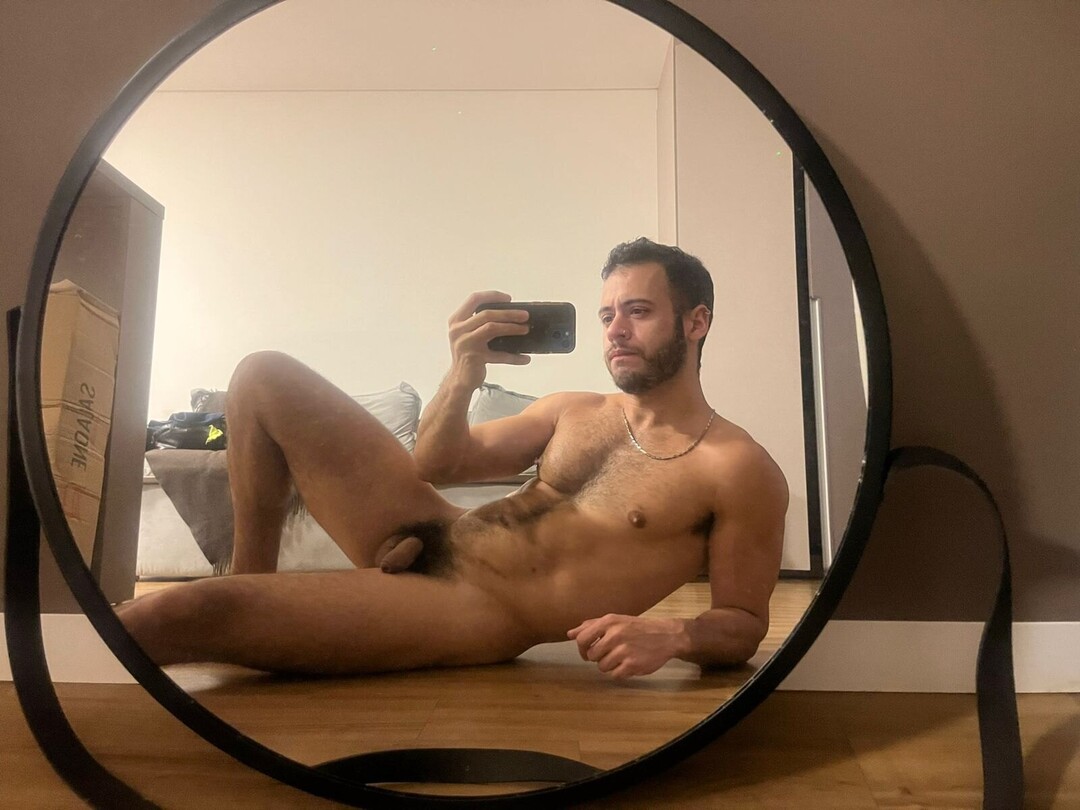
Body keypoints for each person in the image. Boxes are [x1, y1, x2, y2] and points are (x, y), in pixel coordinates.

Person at [117, 237, 788, 679]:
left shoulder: (736, 468)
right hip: (434, 528)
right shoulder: (575, 410)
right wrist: (463, 371)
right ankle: (251, 577)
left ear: (696, 322)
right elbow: (437, 465)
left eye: (637, 311)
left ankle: (229, 608)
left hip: (475, 607)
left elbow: (744, 624)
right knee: (262, 375)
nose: (615, 330)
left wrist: (673, 637)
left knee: (169, 616)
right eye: (607, 314)